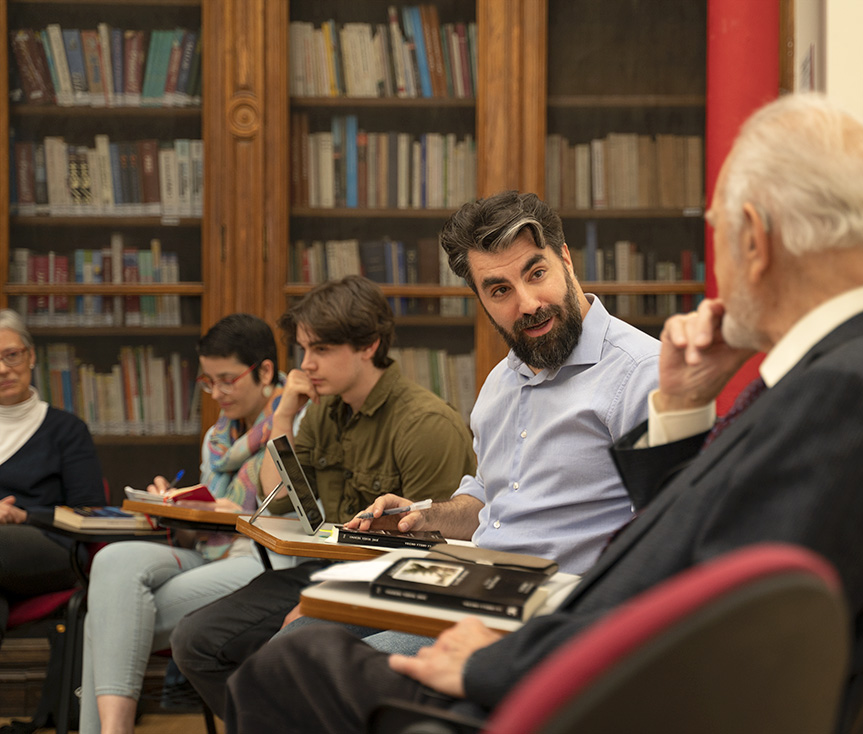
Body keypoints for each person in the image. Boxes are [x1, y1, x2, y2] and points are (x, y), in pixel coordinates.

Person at [220, 93, 863, 734]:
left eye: (717, 232)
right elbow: (703, 553)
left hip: (591, 698)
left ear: (752, 238)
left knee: (291, 665)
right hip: (596, 668)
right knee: (303, 647)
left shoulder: (847, 398)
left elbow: (705, 616)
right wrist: (683, 410)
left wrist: (495, 664)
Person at [172, 192, 660, 716]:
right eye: (499, 289)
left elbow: (662, 537)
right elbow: (486, 502)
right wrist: (423, 516)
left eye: (535, 273)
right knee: (284, 650)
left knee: (311, 686)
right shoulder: (500, 384)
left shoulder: (640, 375)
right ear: (481, 299)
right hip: (466, 579)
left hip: (545, 616)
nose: (526, 302)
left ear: (565, 260)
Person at [170, 275, 480, 716]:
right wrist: (284, 416)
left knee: (284, 658)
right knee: (194, 641)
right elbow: (279, 498)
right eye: (302, 349)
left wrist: (326, 601)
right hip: (323, 570)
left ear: (368, 345)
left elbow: (433, 558)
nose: (305, 364)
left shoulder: (425, 424)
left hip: (388, 584)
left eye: (321, 350)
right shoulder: (321, 411)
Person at [79, 313, 301, 734]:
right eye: (207, 381)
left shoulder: (297, 418)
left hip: (266, 561)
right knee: (111, 561)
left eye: (227, 379)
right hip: (210, 551)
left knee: (105, 618)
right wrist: (174, 506)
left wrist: (230, 515)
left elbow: (297, 512)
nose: (216, 393)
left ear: (265, 371)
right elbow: (199, 528)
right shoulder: (217, 439)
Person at [0, 309, 104, 638]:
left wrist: (22, 516)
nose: (3, 369)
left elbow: (90, 510)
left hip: (53, 548)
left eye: (11, 355)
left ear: (30, 357)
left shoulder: (67, 430)